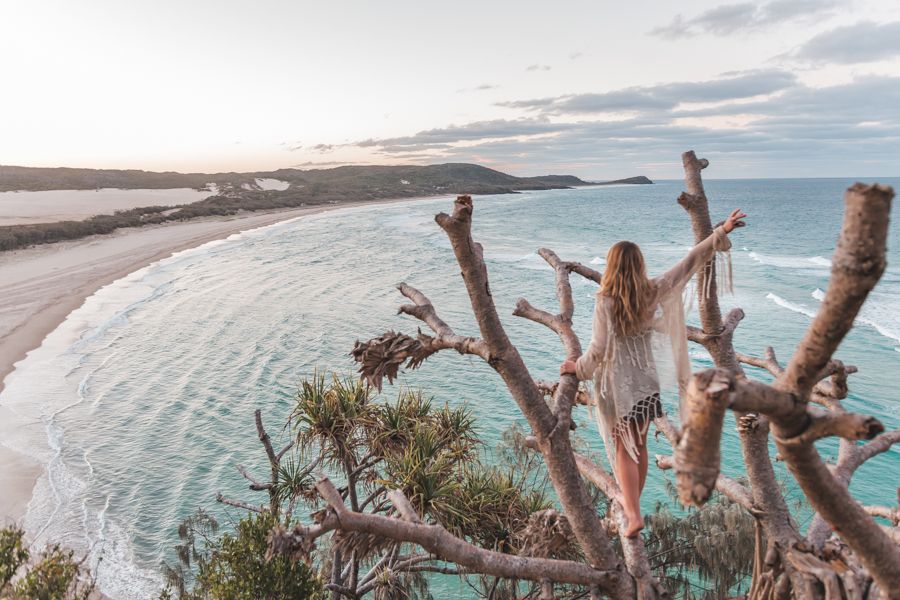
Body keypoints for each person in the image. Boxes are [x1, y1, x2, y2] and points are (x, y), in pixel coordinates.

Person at [560, 208, 747, 538]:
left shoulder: (605, 301)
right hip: (647, 385)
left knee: (623, 449)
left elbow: (598, 349)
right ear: (639, 265)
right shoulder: (652, 289)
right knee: (639, 446)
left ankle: (631, 514)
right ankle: (634, 505)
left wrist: (578, 368)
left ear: (612, 266)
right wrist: (722, 231)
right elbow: (690, 262)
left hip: (619, 387)